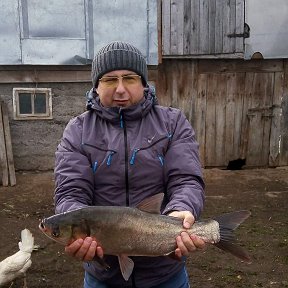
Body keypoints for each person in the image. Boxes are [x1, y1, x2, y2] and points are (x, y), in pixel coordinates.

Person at [54, 41, 205, 288]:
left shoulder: (172, 123)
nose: (121, 90)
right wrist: (78, 229)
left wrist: (182, 209)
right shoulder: (78, 130)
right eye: (110, 80)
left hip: (166, 274)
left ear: (144, 84)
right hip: (102, 275)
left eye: (130, 78)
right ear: (96, 86)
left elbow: (186, 179)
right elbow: (70, 191)